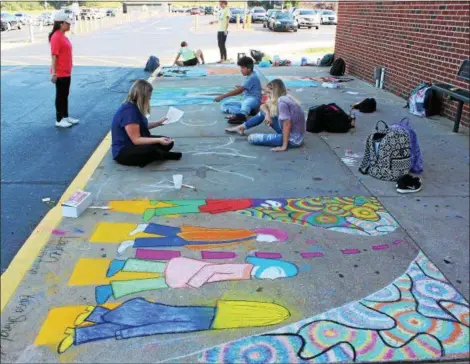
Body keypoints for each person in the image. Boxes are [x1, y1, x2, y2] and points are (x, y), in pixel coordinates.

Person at [57, 298, 290, 353]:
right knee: (150, 319)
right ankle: (90, 323)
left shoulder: (229, 313)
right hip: (208, 319)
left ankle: (87, 326)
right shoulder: (223, 316)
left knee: (150, 319)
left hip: (212, 318)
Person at [95, 256, 298, 304]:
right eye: (277, 271)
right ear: (266, 265)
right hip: (194, 273)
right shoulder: (244, 268)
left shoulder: (248, 272)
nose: (274, 276)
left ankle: (118, 276)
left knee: (161, 272)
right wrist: (195, 282)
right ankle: (114, 283)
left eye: (278, 276)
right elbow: (212, 270)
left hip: (192, 271)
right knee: (162, 278)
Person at [111, 79, 182, 167]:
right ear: (142, 96)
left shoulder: (134, 106)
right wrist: (158, 140)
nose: (150, 98)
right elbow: (136, 140)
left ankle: (156, 154)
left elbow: (140, 126)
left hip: (135, 143)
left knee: (168, 142)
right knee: (151, 150)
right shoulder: (129, 112)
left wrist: (158, 123)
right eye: (149, 97)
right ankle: (161, 155)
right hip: (124, 150)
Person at [225, 79, 306, 152]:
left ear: (274, 91)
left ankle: (283, 141)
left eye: (268, 93)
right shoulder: (284, 96)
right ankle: (241, 127)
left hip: (292, 139)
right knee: (265, 112)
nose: (267, 95)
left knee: (252, 138)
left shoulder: (282, 101)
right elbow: (263, 106)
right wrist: (267, 114)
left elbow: (287, 124)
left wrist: (284, 146)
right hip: (292, 133)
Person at [117, 223, 289, 254]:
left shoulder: (248, 237)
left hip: (200, 239)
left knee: (175, 234)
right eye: (272, 240)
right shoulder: (246, 234)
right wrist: (201, 239)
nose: (270, 242)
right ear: (267, 235)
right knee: (175, 239)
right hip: (201, 238)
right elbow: (222, 237)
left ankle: (145, 228)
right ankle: (134, 241)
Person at [49, 11, 79, 128]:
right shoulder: (56, 37)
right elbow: (54, 55)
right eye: (67, 23)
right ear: (61, 24)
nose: (69, 25)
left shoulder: (62, 36)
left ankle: (65, 117)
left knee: (65, 95)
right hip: (60, 72)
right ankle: (59, 119)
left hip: (66, 72)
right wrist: (54, 73)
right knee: (60, 96)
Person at [214, 56, 262, 124]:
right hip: (246, 100)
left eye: (242, 68)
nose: (240, 70)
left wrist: (222, 96)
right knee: (224, 105)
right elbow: (246, 87)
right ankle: (247, 111)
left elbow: (239, 91)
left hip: (254, 100)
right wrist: (241, 87)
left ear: (249, 68)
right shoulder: (252, 73)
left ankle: (242, 116)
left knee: (247, 103)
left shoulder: (252, 77)